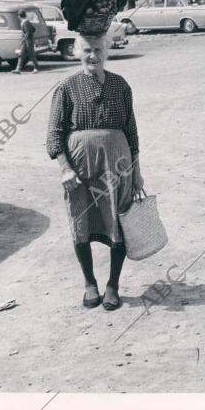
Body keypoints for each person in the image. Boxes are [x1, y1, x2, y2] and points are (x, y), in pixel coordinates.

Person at [46, 35, 144, 310]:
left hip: (118, 163)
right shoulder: (66, 86)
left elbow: (132, 131)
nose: (93, 56)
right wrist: (65, 168)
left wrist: (137, 171)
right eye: (87, 50)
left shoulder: (120, 85)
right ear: (78, 52)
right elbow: (54, 134)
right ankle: (90, 283)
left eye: (98, 50)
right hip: (80, 166)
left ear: (106, 52)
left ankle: (113, 285)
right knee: (80, 221)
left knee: (119, 219)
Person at [13, 9, 39, 74]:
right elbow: (33, 29)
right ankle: (18, 69)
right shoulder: (27, 22)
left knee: (31, 55)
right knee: (21, 55)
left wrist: (24, 39)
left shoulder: (25, 23)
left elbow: (28, 32)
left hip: (28, 42)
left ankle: (36, 68)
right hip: (26, 41)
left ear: (19, 16)